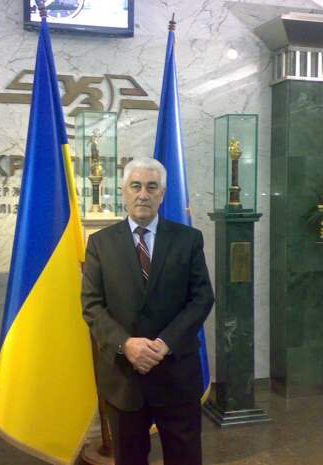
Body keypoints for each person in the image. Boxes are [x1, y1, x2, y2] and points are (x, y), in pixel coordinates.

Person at [82, 157, 214, 465]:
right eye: (136, 186)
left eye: (152, 187)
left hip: (177, 374)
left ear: (162, 194)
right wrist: (126, 344)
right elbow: (92, 305)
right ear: (124, 191)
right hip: (124, 378)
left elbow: (201, 298)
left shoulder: (188, 239)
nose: (143, 194)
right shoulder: (100, 244)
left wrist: (165, 343)